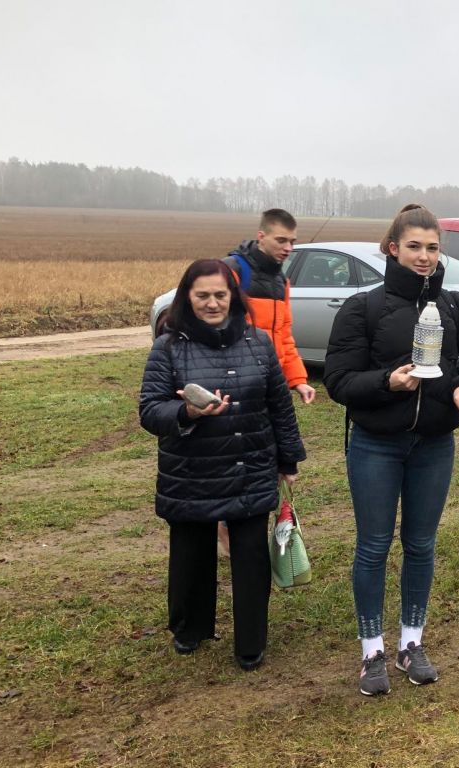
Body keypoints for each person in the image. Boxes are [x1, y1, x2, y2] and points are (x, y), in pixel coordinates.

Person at [324, 203, 459, 696]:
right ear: (392, 249)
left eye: (432, 248)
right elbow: (339, 380)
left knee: (421, 545)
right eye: (414, 247)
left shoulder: (457, 307)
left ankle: (411, 643)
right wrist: (387, 381)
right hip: (375, 447)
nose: (424, 257)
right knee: (373, 546)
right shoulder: (362, 308)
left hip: (433, 446)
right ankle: (371, 651)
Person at [139, 259, 306, 671]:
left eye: (220, 295)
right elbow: (150, 410)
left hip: (251, 465)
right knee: (191, 556)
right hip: (191, 470)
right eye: (202, 296)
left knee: (251, 559)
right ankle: (190, 630)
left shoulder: (258, 343)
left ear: (233, 297)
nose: (212, 303)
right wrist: (187, 413)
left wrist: (288, 458)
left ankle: (251, 642)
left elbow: (279, 406)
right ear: (187, 298)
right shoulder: (168, 347)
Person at [225, 208, 316, 404]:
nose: (288, 248)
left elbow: (284, 334)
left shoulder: (281, 281)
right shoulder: (232, 270)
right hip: (237, 383)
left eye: (292, 242)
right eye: (281, 240)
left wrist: (297, 379)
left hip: (272, 382)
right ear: (261, 237)